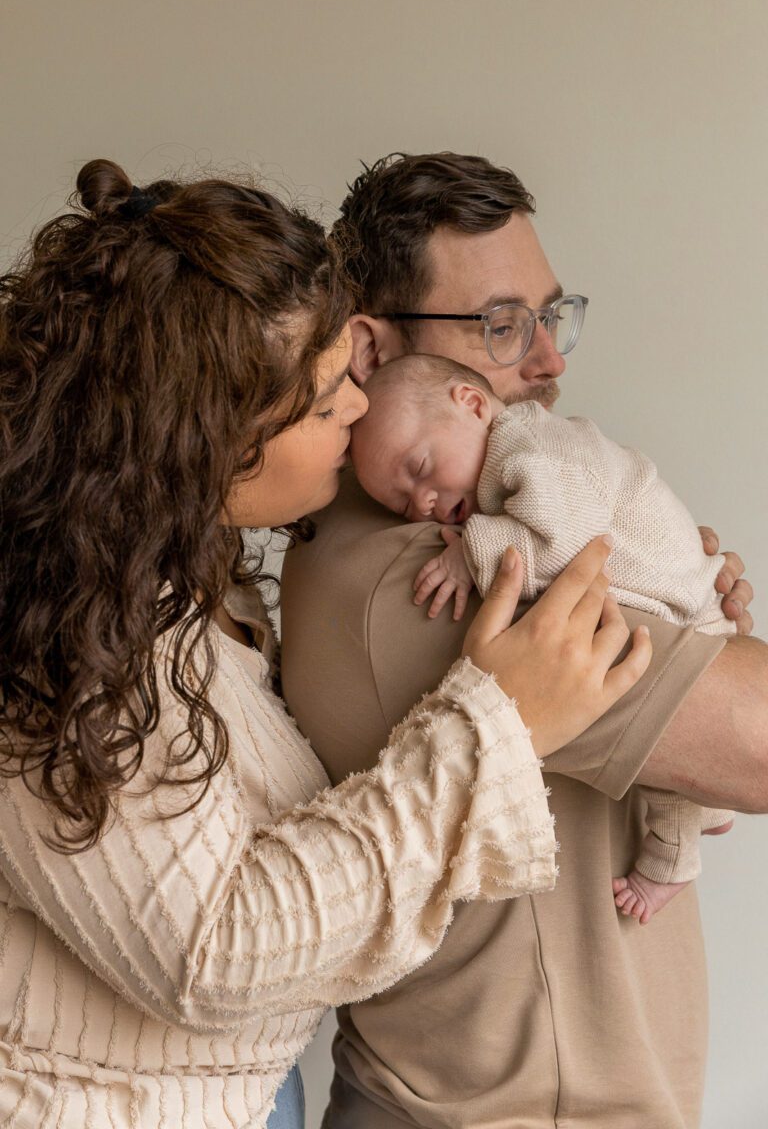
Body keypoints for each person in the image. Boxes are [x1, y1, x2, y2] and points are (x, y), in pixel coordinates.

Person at [0, 158, 653, 1129]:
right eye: (319, 402)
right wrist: (495, 725)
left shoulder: (187, 594)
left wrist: (666, 561)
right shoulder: (56, 648)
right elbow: (216, 952)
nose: (358, 403)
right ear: (197, 437)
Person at [279, 152, 767, 1128]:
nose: (548, 359)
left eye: (553, 315)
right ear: (371, 351)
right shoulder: (423, 579)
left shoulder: (436, 531)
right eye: (502, 325)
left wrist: (676, 593)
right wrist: (702, 645)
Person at [349, 350, 737, 924]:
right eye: (403, 502)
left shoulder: (527, 450)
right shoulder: (519, 452)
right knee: (678, 771)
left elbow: (565, 548)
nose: (424, 502)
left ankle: (672, 863)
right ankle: (706, 811)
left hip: (693, 611)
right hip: (684, 599)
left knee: (682, 776)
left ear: (473, 404)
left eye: (421, 466)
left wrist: (468, 553)